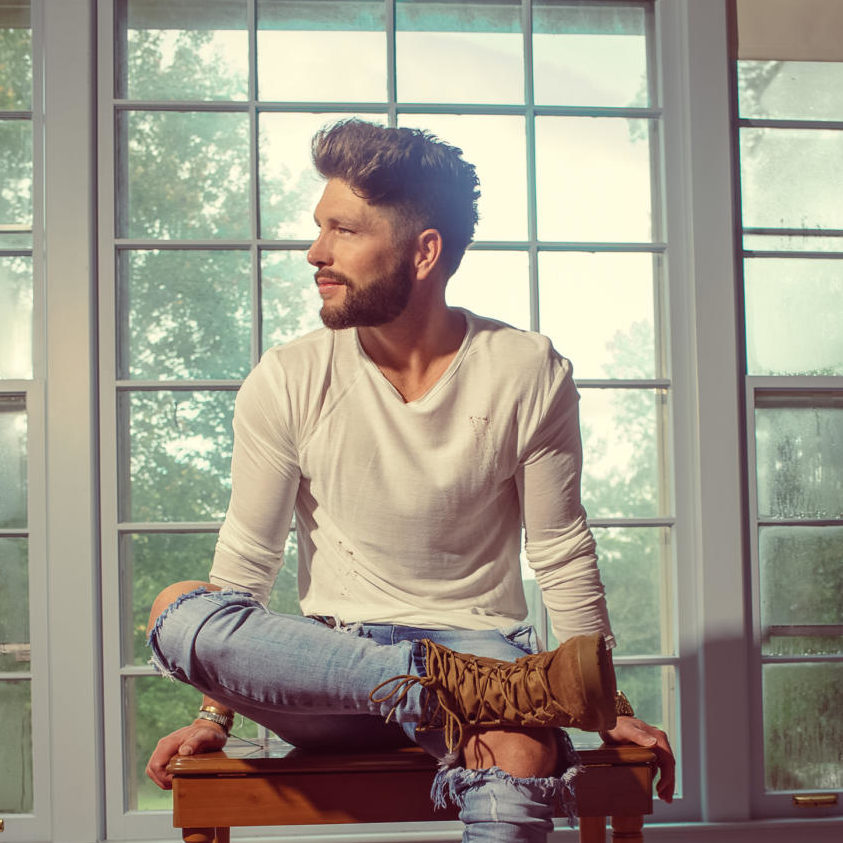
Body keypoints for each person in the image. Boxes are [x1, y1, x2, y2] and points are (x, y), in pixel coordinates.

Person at [145, 118, 674, 842]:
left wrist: (603, 702)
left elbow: (559, 548)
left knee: (520, 752)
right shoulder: (288, 376)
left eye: (343, 230)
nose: (316, 252)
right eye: (319, 227)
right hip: (328, 673)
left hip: (482, 648)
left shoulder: (526, 370)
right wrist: (214, 714)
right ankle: (443, 685)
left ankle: (463, 688)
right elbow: (247, 562)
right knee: (178, 611)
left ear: (424, 251)